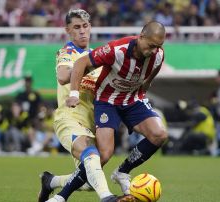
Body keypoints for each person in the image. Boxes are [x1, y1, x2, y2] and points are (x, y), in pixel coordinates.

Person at [38, 9, 133, 202]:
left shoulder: (96, 56)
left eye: (85, 26)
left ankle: (51, 181)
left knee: (88, 181)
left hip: (92, 124)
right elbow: (63, 76)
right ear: (68, 30)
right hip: (69, 118)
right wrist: (84, 66)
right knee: (90, 153)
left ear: (90, 27)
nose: (82, 31)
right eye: (76, 27)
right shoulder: (68, 52)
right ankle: (107, 198)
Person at [66, 21, 168, 195]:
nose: (153, 51)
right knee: (104, 154)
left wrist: (145, 86)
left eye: (157, 47)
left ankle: (122, 172)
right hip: (107, 101)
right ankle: (61, 194)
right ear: (141, 36)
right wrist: (74, 93)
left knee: (160, 135)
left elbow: (150, 76)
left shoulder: (158, 55)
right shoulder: (116, 50)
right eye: (151, 46)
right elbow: (81, 63)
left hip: (133, 101)